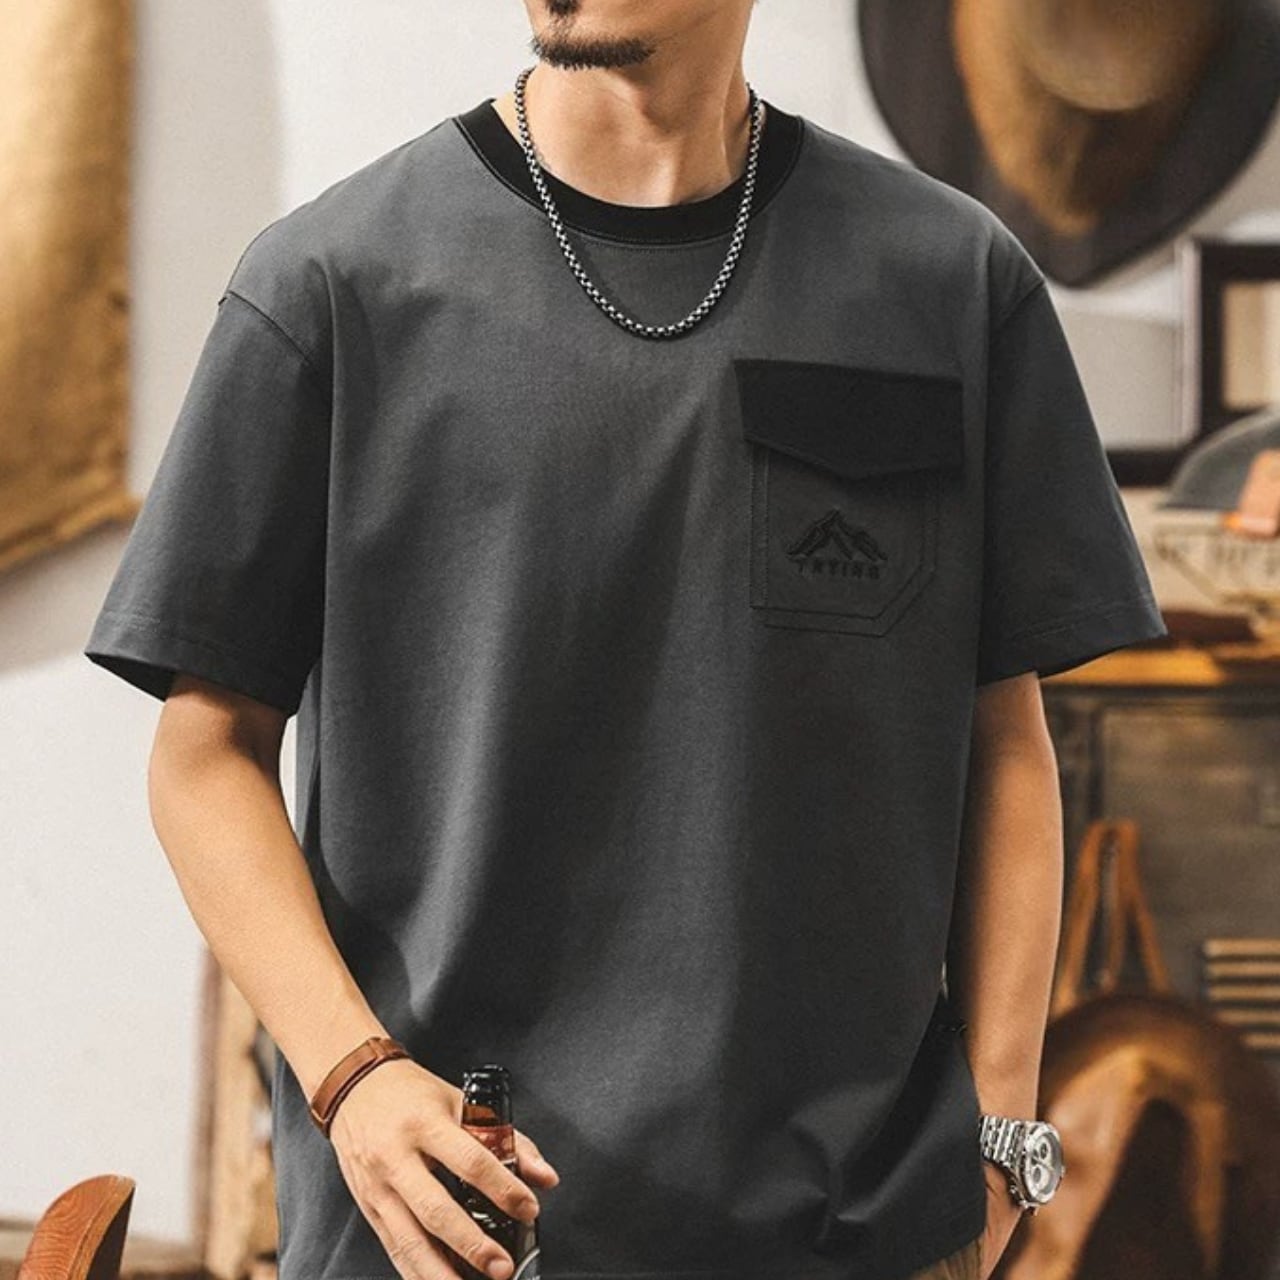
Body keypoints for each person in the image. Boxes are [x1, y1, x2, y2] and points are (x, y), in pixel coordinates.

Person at [83, 2, 1168, 1279]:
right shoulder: (331, 283)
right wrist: (353, 1076)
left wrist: (993, 1137)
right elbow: (203, 755)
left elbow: (1006, 744)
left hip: (850, 1231)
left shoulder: (948, 282)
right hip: (457, 1228)